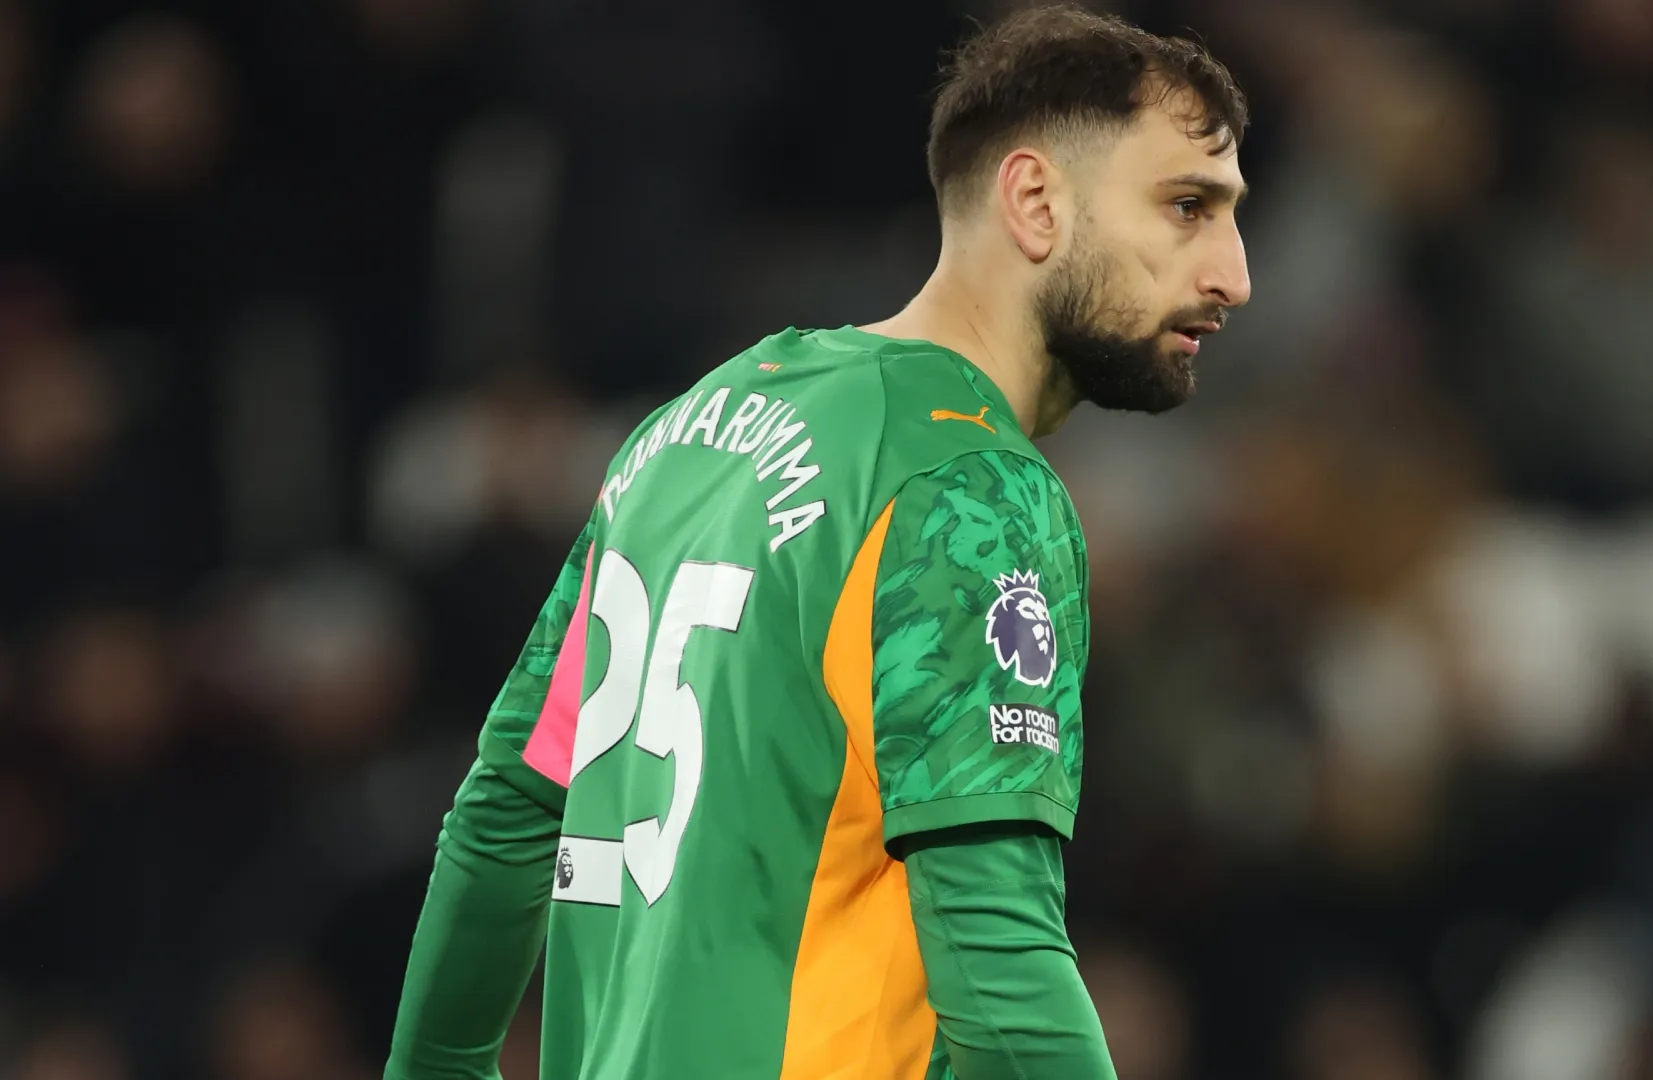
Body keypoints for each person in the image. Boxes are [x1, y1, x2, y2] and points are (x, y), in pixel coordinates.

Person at [382, 4, 1251, 1078]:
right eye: (1185, 208)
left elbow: (508, 815)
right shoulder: (967, 490)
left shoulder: (690, 431)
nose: (1232, 273)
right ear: (1035, 202)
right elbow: (996, 960)